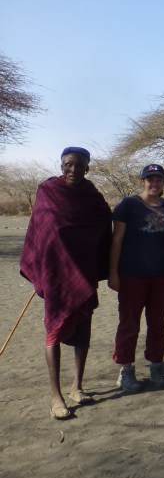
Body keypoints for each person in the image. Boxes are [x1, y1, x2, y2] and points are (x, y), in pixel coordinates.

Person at [20, 147, 112, 420]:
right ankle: (55, 395)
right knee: (55, 331)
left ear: (87, 167)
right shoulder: (47, 191)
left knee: (83, 331)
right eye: (67, 165)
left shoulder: (92, 198)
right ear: (61, 165)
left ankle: (77, 387)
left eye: (79, 165)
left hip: (82, 273)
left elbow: (103, 223)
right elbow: (41, 229)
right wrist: (43, 265)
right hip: (56, 275)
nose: (73, 170)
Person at [109, 164, 164, 392]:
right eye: (150, 179)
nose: (154, 184)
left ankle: (156, 365)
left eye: (158, 180)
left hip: (161, 275)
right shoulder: (128, 205)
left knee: (157, 324)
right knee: (129, 324)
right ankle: (126, 370)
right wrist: (113, 272)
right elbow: (116, 240)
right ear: (142, 181)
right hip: (131, 275)